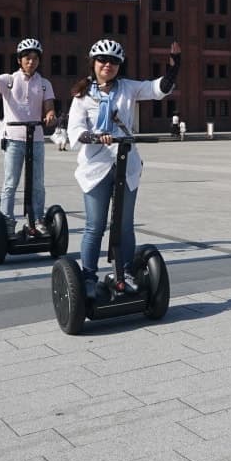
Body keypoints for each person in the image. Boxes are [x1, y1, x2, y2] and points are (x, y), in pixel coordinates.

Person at [68, 38, 180, 296]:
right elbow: (75, 129)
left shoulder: (128, 88)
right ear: (93, 63)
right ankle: (87, 277)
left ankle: (124, 272)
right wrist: (94, 136)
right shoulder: (82, 96)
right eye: (103, 60)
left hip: (126, 164)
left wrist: (174, 68)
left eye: (114, 61)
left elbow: (157, 89)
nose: (108, 65)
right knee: (94, 225)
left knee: (125, 225)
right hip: (95, 167)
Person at [0, 38, 57, 236]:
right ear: (20, 60)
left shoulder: (45, 84)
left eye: (35, 59)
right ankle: (7, 220)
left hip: (36, 139)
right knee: (11, 182)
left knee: (37, 183)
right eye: (27, 58)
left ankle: (38, 219)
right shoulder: (9, 80)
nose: (31, 62)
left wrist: (49, 115)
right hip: (14, 138)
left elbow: (49, 108)